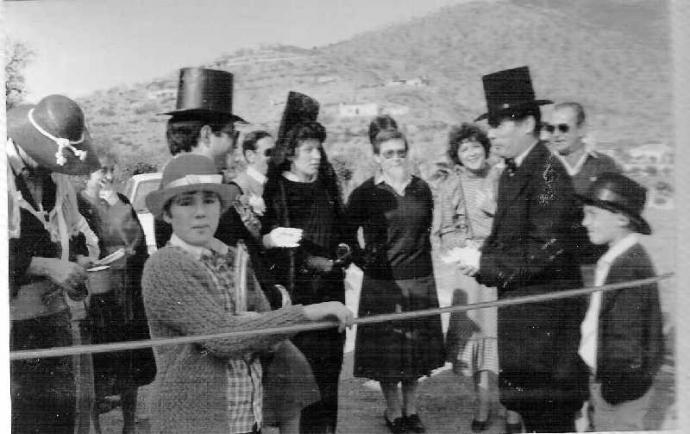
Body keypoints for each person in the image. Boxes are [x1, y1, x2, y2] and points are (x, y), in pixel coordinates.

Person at [140, 154, 354, 434]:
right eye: (186, 202)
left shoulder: (235, 258)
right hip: (193, 422)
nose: (200, 212)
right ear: (167, 214)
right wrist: (306, 313)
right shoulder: (165, 265)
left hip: (245, 416)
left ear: (221, 207)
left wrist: (255, 326)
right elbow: (222, 337)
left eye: (209, 200)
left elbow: (267, 337)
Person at [461, 66, 588, 433]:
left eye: (499, 124)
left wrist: (484, 264)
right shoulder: (513, 172)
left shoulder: (547, 174)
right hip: (524, 328)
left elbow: (544, 250)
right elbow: (508, 238)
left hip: (547, 337)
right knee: (531, 417)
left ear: (529, 123)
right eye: (491, 124)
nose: (491, 133)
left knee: (550, 421)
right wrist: (478, 257)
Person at [7, 94, 101, 433]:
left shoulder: (56, 179)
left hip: (53, 319)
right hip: (10, 327)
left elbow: (75, 230)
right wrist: (45, 266)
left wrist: (79, 260)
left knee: (58, 416)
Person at [347, 123, 445, 434]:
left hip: (420, 279)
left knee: (415, 353)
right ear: (377, 157)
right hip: (383, 284)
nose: (396, 158)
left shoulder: (421, 188)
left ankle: (411, 411)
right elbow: (346, 235)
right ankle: (393, 412)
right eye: (388, 153)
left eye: (401, 152)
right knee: (388, 354)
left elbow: (425, 232)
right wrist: (366, 263)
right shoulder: (365, 193)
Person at [262, 93, 350, 434]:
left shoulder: (327, 188)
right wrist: (312, 262)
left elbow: (342, 234)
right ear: (291, 153)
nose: (317, 156)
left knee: (329, 375)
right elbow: (270, 249)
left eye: (319, 149)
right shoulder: (276, 192)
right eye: (309, 149)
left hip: (332, 293)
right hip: (299, 299)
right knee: (301, 377)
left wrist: (343, 252)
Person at [77, 152, 157, 434]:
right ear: (86, 174)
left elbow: (137, 242)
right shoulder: (76, 204)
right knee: (95, 366)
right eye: (103, 171)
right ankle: (97, 428)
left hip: (126, 294)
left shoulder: (120, 201)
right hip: (95, 295)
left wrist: (115, 205)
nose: (109, 177)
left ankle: (129, 425)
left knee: (129, 362)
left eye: (112, 170)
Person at [577, 172, 664, 431]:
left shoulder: (629, 267)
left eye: (592, 214)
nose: (584, 222)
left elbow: (627, 340)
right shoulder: (618, 258)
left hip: (619, 389)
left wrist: (610, 392)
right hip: (606, 379)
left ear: (622, 219)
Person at [438, 122, 502, 432]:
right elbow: (445, 230)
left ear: (485, 148)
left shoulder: (501, 177)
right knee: (479, 340)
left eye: (476, 146)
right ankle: (482, 405)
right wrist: (466, 247)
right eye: (465, 149)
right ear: (457, 155)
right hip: (470, 272)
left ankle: (509, 406)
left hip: (502, 266)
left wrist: (494, 210)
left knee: (505, 337)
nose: (472, 152)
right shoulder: (451, 184)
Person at [546, 102, 623, 281]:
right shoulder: (540, 167)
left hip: (595, 264)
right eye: (551, 128)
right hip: (552, 269)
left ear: (581, 129)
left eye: (563, 128)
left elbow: (620, 218)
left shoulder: (605, 165)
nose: (555, 134)